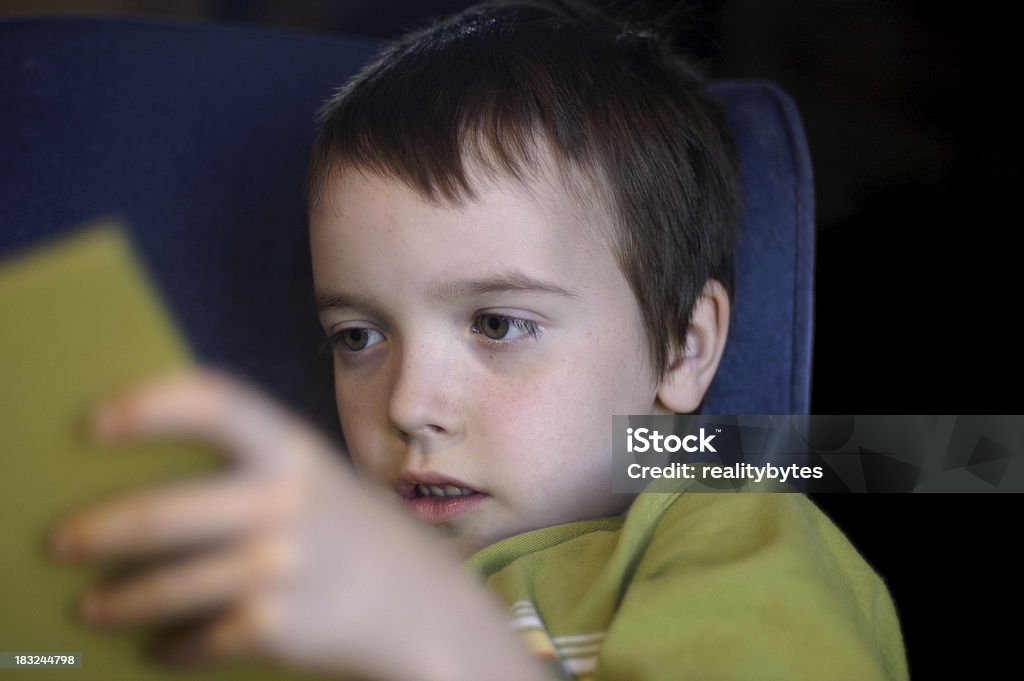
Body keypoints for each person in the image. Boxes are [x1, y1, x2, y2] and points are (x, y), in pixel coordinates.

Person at [50, 2, 908, 680]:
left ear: (683, 349)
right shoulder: (299, 572)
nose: (410, 405)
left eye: (499, 324)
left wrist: (446, 638)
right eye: (357, 336)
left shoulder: (732, 533)